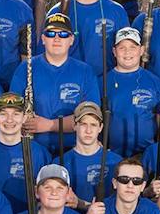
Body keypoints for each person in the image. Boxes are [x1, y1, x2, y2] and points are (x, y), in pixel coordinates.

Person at [10, 13, 99, 158]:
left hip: (74, 151)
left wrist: (50, 125)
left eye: (63, 34)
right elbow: (12, 111)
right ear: (43, 39)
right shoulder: (25, 68)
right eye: (51, 33)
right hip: (32, 151)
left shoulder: (85, 72)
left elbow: (91, 117)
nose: (57, 38)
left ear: (71, 40)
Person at [52, 0, 126, 77]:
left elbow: (126, 52)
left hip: (106, 85)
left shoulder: (116, 11)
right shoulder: (58, 12)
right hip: (68, 83)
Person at [0, 93, 50, 214]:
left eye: (16, 114)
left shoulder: (39, 152)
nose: (9, 120)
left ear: (24, 117)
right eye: (3, 114)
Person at [105, 27, 160, 158]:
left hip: (146, 155)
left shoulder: (157, 83)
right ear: (114, 52)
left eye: (133, 47)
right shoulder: (102, 82)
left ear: (142, 50)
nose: (127, 52)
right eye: (122, 47)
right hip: (111, 155)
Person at [60, 101, 123, 208]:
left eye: (93, 125)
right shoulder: (61, 162)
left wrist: (81, 204)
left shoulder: (116, 162)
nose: (88, 130)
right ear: (74, 125)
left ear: (101, 127)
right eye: (83, 124)